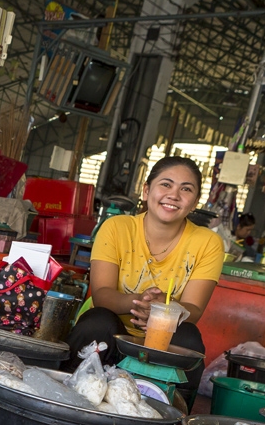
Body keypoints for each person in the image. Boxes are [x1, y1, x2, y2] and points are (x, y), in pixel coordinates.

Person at [64, 156, 224, 405]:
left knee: (189, 336)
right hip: (113, 331)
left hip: (164, 341)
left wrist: (165, 312)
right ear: (147, 190)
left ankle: (173, 423)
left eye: (186, 189)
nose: (174, 195)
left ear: (194, 202)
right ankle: (67, 402)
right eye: (166, 185)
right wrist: (141, 302)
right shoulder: (117, 228)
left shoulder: (207, 243)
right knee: (97, 322)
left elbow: (194, 310)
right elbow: (102, 294)